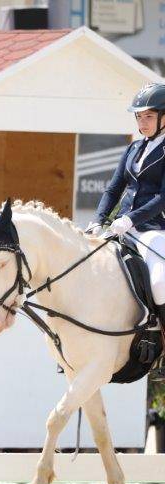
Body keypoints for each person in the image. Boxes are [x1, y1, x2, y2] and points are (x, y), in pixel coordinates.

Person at [89, 82, 165, 314]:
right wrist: (98, 220)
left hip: (153, 229)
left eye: (149, 116)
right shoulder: (133, 148)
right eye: (139, 117)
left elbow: (162, 198)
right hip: (120, 227)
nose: (142, 123)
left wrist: (130, 219)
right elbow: (113, 189)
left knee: (160, 284)